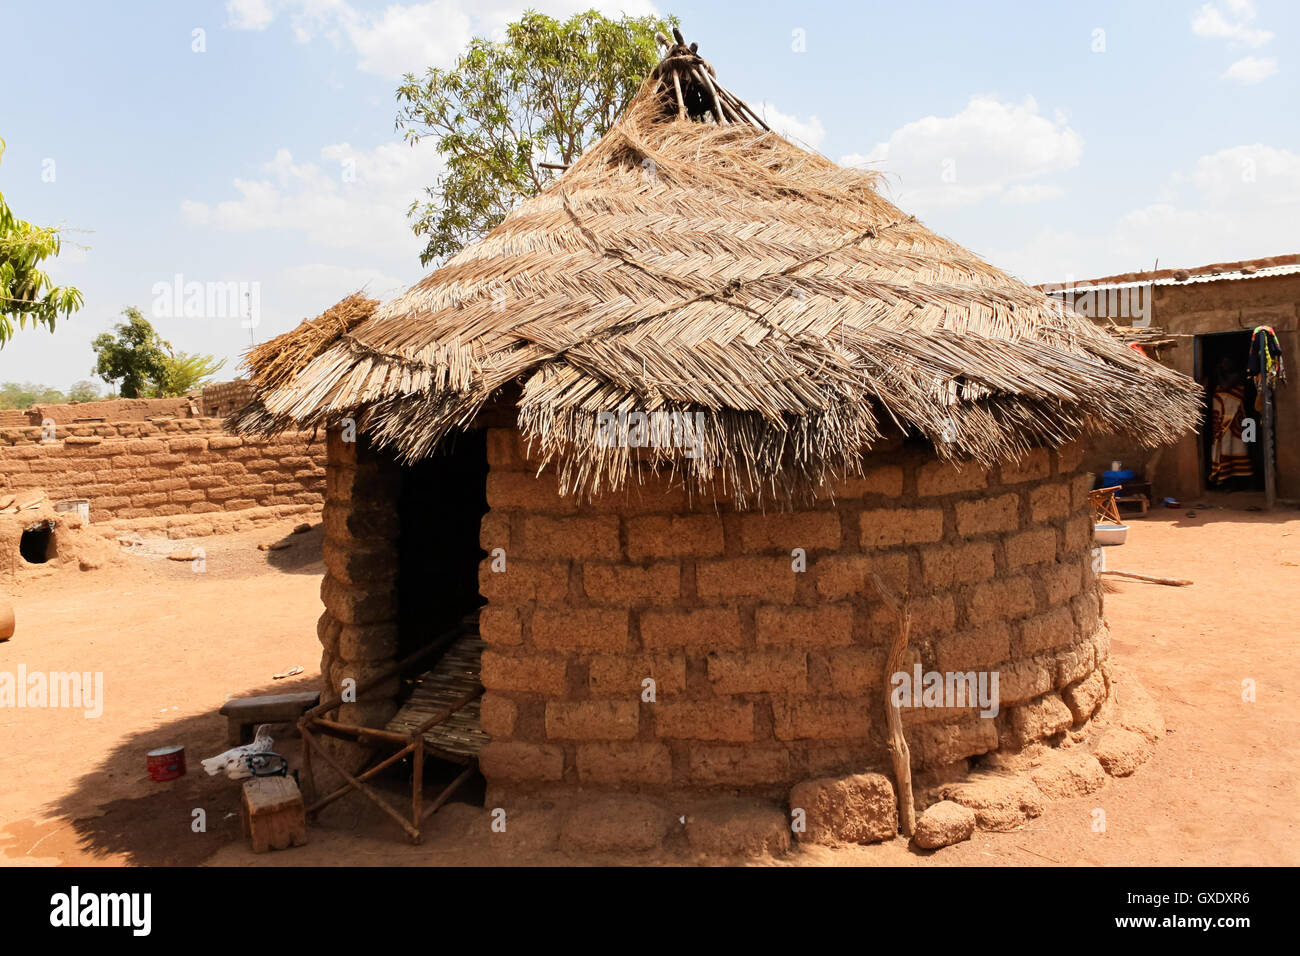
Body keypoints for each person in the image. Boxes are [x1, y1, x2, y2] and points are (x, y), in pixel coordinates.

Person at [1208, 357, 1253, 487]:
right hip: (1222, 421)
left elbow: (1225, 386)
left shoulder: (1237, 375)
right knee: (1225, 447)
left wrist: (1217, 372)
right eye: (1223, 362)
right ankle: (1225, 478)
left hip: (1239, 420)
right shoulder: (1220, 379)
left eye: (1228, 362)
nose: (1226, 364)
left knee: (1241, 447)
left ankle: (1244, 482)